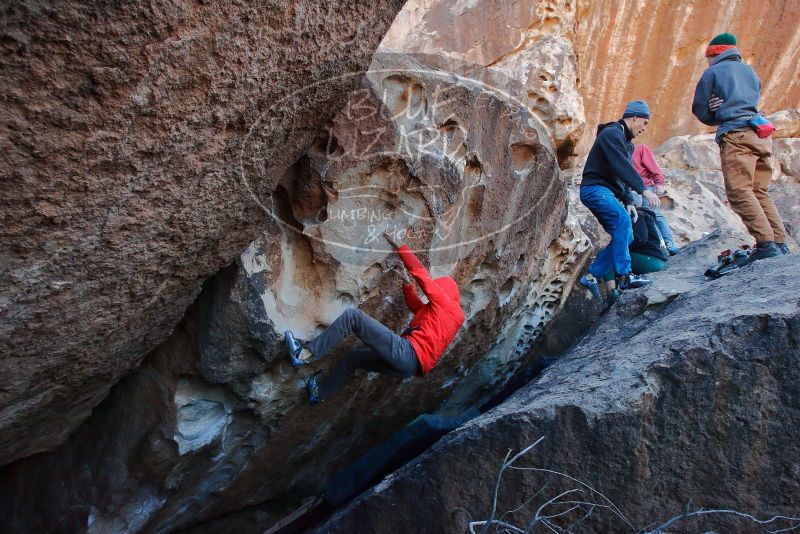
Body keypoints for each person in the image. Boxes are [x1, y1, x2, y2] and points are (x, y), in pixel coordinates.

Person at [284, 230, 464, 403]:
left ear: (445, 291)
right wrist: (406, 282)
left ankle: (303, 354)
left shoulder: (446, 304)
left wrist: (400, 245)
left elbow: (424, 277)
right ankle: (319, 393)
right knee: (354, 358)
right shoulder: (447, 317)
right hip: (408, 368)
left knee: (353, 317)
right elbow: (417, 308)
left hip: (407, 353)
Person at [692, 32, 790, 262]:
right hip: (760, 135)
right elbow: (748, 101)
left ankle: (765, 245)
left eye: (708, 57)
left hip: (736, 136)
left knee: (740, 192)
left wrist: (715, 113)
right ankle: (779, 242)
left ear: (715, 54)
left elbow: (700, 109)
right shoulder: (750, 71)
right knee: (759, 192)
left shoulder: (713, 72)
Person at [578, 100, 662, 300]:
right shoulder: (611, 134)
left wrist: (629, 201)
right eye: (645, 122)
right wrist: (643, 190)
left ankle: (592, 276)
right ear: (634, 117)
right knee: (623, 223)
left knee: (627, 235)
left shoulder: (626, 143)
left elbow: (620, 174)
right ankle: (625, 276)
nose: (645, 128)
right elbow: (622, 166)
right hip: (595, 189)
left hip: (605, 191)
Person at [597, 206, 669, 314]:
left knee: (606, 256)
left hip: (651, 260)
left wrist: (621, 248)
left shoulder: (637, 215)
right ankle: (620, 285)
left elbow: (641, 239)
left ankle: (612, 294)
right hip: (655, 259)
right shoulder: (648, 216)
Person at [632, 143, 680, 255]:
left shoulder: (639, 148)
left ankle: (669, 243)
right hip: (630, 189)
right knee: (643, 217)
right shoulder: (618, 151)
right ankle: (660, 245)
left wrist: (659, 183)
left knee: (655, 214)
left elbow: (653, 166)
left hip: (646, 186)